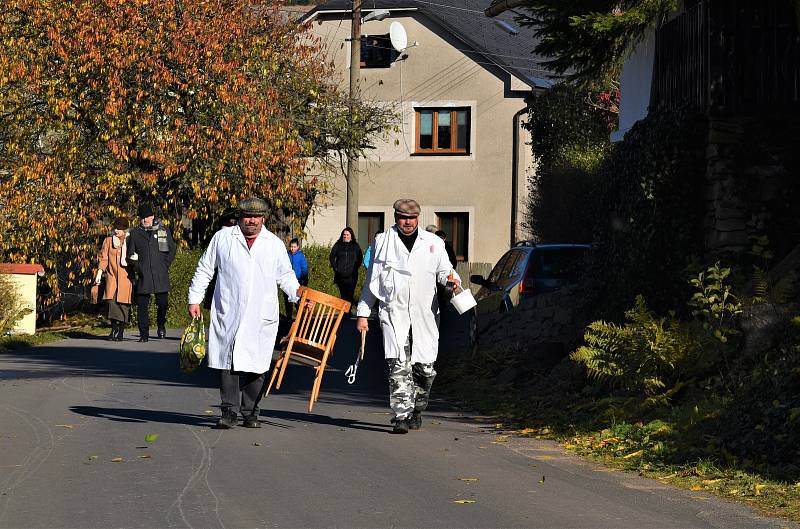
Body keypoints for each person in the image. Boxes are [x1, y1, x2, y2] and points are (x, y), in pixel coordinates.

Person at [187, 196, 300, 429]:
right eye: (247, 216)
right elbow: (205, 268)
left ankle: (251, 411)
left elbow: (286, 277)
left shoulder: (274, 244)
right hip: (229, 310)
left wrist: (299, 296)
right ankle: (229, 411)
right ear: (240, 217)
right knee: (228, 362)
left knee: (257, 364)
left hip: (261, 314)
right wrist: (194, 298)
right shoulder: (223, 238)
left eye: (256, 217)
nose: (252, 221)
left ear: (264, 218)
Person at [355, 199, 461, 434]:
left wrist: (450, 282)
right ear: (395, 218)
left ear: (418, 219)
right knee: (398, 365)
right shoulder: (382, 242)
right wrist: (363, 313)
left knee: (425, 368)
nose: (408, 223)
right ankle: (401, 415)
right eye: (403, 218)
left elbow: (446, 271)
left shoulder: (433, 243)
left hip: (425, 313)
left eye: (412, 219)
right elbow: (372, 281)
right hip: (394, 312)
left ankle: (417, 409)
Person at [127, 202, 177, 342]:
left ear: (152, 216)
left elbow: (172, 249)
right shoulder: (135, 233)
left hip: (160, 273)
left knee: (162, 303)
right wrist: (138, 267)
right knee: (142, 306)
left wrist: (165, 264)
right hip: (144, 276)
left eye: (147, 217)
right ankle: (144, 334)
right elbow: (129, 255)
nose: (145, 220)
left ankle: (161, 324)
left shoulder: (163, 230)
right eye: (142, 218)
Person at [96, 217, 134, 341]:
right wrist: (99, 273)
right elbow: (104, 258)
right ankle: (113, 329)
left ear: (125, 229)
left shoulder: (130, 241)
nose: (116, 230)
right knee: (111, 303)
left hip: (126, 279)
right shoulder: (108, 241)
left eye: (119, 229)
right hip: (112, 277)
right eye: (115, 228)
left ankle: (121, 331)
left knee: (123, 304)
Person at [329, 227, 362, 303]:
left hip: (352, 276)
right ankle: (344, 313)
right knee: (343, 296)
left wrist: (355, 268)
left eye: (347, 235)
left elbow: (360, 258)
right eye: (344, 235)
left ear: (351, 236)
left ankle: (348, 312)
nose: (345, 236)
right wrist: (336, 269)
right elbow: (331, 257)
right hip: (340, 276)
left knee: (350, 295)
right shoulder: (338, 245)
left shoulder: (355, 246)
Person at [285, 238, 309, 319]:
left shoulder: (300, 256)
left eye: (294, 247)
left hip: (298, 281)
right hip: (288, 281)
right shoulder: (287, 255)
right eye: (291, 247)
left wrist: (304, 279)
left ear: (298, 247)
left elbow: (304, 267)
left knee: (297, 299)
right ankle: (289, 316)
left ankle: (300, 317)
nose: (293, 248)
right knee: (288, 300)